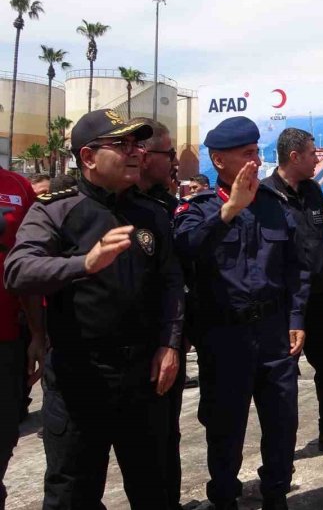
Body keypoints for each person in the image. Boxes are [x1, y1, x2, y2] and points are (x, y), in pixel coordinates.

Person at [4, 109, 184, 509]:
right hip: (80, 378)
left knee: (155, 489)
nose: (135, 152)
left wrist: (170, 344)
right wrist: (83, 264)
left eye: (138, 143)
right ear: (88, 157)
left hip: (145, 377)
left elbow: (171, 282)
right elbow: (17, 269)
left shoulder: (151, 211)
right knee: (73, 494)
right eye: (121, 144)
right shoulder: (54, 209)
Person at [173, 116, 309, 510]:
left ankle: (275, 494)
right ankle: (225, 497)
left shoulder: (274, 205)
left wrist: (297, 318)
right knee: (224, 427)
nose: (257, 160)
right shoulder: (198, 208)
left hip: (273, 334)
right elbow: (185, 249)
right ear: (219, 161)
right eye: (247, 154)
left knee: (282, 425)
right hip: (224, 336)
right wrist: (229, 210)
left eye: (257, 152)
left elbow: (297, 268)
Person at [262, 128, 323, 458]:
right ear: (294, 157)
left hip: (318, 297)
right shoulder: (263, 196)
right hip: (283, 305)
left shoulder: (314, 192)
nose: (318, 158)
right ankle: (280, 451)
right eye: (312, 153)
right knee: (282, 380)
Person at [135, 119, 189, 510]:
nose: (174, 162)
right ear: (143, 155)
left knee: (166, 437)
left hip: (166, 345)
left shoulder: (167, 207)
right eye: (167, 154)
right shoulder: (104, 209)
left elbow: (177, 278)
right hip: (121, 350)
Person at [0, 164, 41, 509]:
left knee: (4, 436)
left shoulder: (17, 186)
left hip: (7, 338)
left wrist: (38, 334)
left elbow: (28, 264)